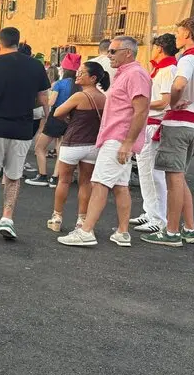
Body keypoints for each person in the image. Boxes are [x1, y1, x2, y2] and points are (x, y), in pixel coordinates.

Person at [58, 36, 150, 247]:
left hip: (118, 138)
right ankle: (122, 232)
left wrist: (127, 142)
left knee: (99, 183)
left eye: (113, 51)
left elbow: (141, 109)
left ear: (128, 52)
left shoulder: (135, 74)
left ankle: (86, 231)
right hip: (117, 138)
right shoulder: (126, 74)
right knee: (119, 185)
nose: (108, 55)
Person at [0, 27, 51, 241]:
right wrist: (46, 120)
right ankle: (7, 219)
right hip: (22, 130)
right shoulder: (36, 65)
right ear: (18, 42)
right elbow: (43, 98)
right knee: (13, 177)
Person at [142, 16, 194, 247]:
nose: (177, 37)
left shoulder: (187, 60)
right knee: (180, 178)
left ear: (189, 35)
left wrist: (173, 101)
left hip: (180, 123)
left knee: (173, 180)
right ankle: (190, 228)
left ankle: (171, 232)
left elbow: (179, 84)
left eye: (180, 32)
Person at [45, 62, 109, 232]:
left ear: (93, 78)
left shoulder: (80, 96)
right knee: (85, 183)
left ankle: (57, 217)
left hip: (73, 142)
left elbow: (57, 112)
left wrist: (69, 117)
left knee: (64, 180)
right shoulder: (104, 98)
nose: (78, 75)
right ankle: (82, 219)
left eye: (82, 73)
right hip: (92, 144)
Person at [130, 33, 177, 234]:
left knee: (153, 172)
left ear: (159, 48)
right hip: (148, 122)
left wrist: (144, 104)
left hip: (155, 123)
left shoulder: (168, 70)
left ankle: (158, 217)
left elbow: (165, 100)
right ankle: (150, 211)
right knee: (144, 170)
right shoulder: (160, 69)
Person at [26, 55, 79, 188]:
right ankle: (55, 178)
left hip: (56, 116)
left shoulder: (59, 84)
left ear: (64, 69)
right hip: (70, 118)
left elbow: (51, 102)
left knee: (39, 147)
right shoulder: (79, 86)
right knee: (60, 148)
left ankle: (42, 175)